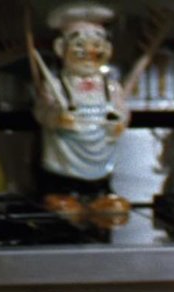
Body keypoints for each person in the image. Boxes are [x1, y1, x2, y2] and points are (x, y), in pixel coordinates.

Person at [31, 2, 131, 224]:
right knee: (63, 214)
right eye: (80, 46)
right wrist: (56, 118)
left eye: (97, 46)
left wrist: (119, 123)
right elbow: (40, 113)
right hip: (63, 165)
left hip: (101, 164)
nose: (90, 52)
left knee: (109, 213)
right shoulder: (55, 86)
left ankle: (101, 197)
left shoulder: (111, 87)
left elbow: (122, 112)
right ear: (61, 49)